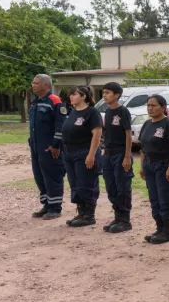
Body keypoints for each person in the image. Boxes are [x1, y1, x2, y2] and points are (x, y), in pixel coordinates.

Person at [139, 95, 169, 244]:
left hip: (164, 165)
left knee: (166, 199)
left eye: (154, 105)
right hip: (149, 165)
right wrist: (142, 166)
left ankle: (167, 231)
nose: (150, 108)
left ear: (163, 107)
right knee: (154, 199)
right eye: (148, 105)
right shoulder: (146, 124)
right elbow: (143, 148)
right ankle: (159, 228)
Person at [61, 86, 103, 227]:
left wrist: (91, 155)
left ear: (83, 96)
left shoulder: (92, 112)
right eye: (70, 95)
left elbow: (97, 135)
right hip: (69, 152)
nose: (71, 97)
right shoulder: (73, 112)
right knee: (75, 184)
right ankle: (81, 212)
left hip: (84, 152)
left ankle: (89, 215)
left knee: (87, 183)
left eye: (74, 94)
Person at [28, 74, 67, 220]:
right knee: (39, 176)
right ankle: (46, 205)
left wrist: (56, 145)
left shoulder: (54, 101)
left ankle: (55, 208)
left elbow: (60, 124)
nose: (33, 85)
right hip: (36, 148)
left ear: (46, 85)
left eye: (37, 83)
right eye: (33, 82)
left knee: (53, 176)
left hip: (50, 148)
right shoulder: (35, 102)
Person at [100, 82, 134, 233]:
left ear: (117, 95)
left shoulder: (123, 112)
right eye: (103, 93)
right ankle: (117, 216)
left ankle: (125, 220)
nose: (104, 95)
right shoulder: (107, 112)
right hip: (108, 154)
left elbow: (128, 134)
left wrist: (127, 156)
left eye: (107, 93)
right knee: (111, 187)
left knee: (123, 187)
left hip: (121, 154)